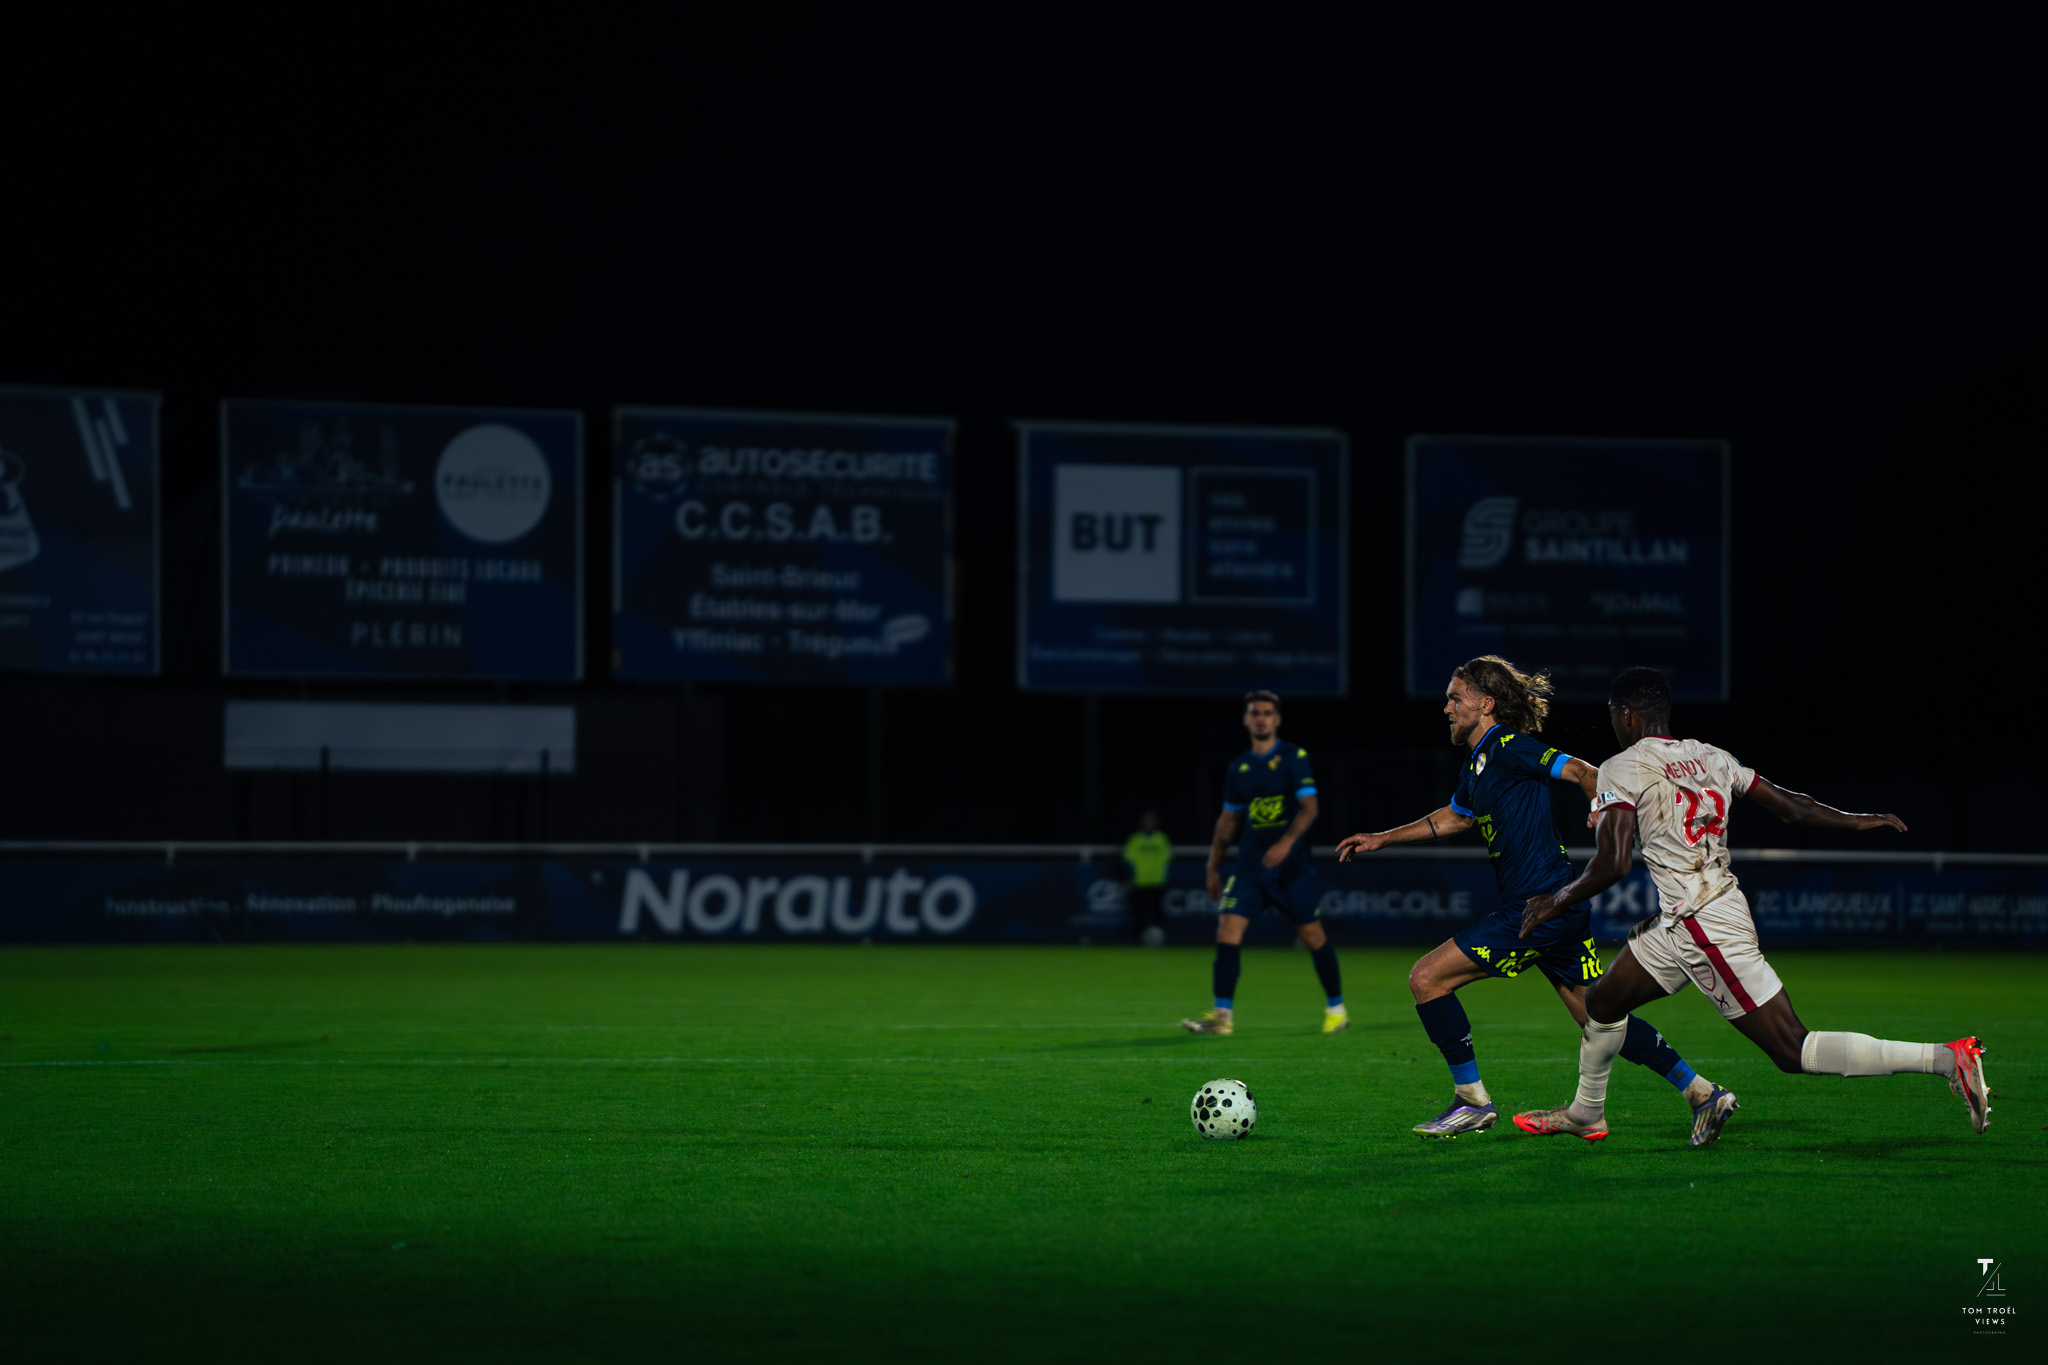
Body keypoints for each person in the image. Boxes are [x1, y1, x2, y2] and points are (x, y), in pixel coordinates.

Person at [1511, 666, 1990, 1141]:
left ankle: (1946, 1058)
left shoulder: (1621, 766)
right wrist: (1855, 819)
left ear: (1627, 715)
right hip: (1684, 919)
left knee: (1792, 1049)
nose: (1614, 724)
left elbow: (1613, 863)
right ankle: (1587, 1112)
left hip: (1704, 925)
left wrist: (1556, 900)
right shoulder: (1712, 756)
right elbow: (1792, 807)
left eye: (1613, 715)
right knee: (1602, 1000)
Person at [1337, 655, 1726, 1141]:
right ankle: (1701, 1092)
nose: (1447, 708)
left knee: (1427, 978)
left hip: (1536, 907)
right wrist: (1382, 838)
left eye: (1455, 699)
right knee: (1598, 1017)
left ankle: (1471, 1100)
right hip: (1556, 907)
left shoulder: (1509, 746)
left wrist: (1602, 810)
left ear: (1486, 704)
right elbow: (1456, 817)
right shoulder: (1479, 762)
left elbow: (1583, 772)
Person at [1180, 691, 1347, 1035]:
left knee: (1313, 936)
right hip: (1249, 869)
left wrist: (1286, 843)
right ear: (1246, 719)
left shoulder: (1293, 757)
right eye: (1255, 713)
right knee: (1227, 929)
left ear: (1277, 719)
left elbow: (1310, 808)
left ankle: (1337, 1009)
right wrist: (1212, 867)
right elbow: (1227, 822)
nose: (1261, 718)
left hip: (1290, 870)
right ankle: (1222, 1017)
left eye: (1267, 713)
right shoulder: (1238, 768)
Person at [1122, 809, 1172, 945]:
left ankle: (1161, 941)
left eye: (1152, 820)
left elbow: (1167, 859)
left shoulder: (1161, 838)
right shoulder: (1136, 839)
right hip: (1140, 882)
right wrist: (1130, 877)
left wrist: (1166, 877)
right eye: (1147, 820)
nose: (1149, 823)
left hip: (1157, 881)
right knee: (1139, 914)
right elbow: (1128, 859)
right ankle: (1137, 941)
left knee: (1158, 914)